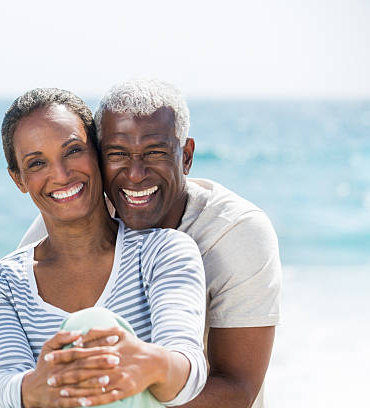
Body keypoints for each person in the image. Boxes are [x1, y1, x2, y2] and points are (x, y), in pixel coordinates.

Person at [18, 79, 282, 408]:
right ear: (98, 157)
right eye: (117, 155)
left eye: (154, 153)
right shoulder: (68, 221)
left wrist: (131, 390)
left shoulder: (236, 232)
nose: (135, 174)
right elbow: (2, 365)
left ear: (185, 156)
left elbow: (237, 389)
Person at [0, 88, 207, 408]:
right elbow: (0, 380)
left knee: (94, 325)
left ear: (97, 153)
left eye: (73, 151)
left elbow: (187, 364)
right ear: (19, 179)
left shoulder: (163, 251)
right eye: (37, 163)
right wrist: (42, 385)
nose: (61, 175)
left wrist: (149, 364)